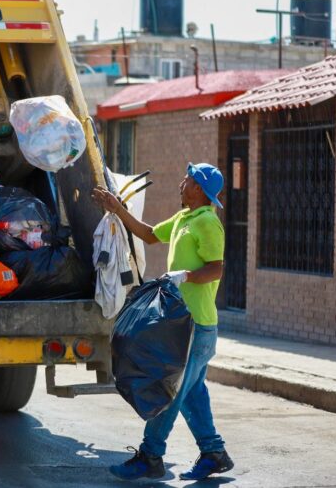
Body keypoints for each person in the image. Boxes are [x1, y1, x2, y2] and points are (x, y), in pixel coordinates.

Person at [92, 162, 233, 482]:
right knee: (191, 390)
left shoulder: (209, 222)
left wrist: (187, 276)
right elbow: (151, 235)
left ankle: (150, 455)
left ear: (199, 189)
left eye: (188, 179)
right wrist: (117, 209)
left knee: (171, 391)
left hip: (196, 325)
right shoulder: (186, 217)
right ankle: (213, 453)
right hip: (181, 323)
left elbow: (216, 268)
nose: (181, 183)